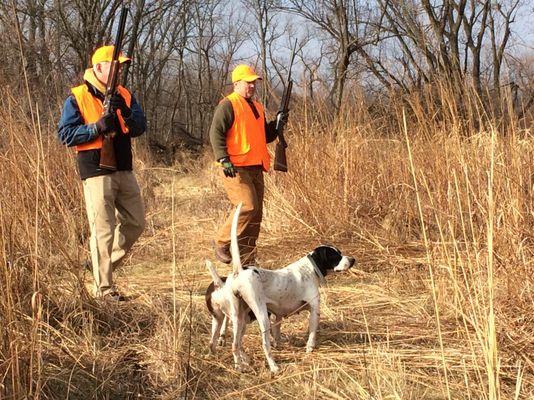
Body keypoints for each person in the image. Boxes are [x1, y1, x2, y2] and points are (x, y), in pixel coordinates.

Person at [57, 45, 147, 300]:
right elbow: (65, 134)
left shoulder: (125, 95)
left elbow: (141, 126)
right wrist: (95, 128)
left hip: (124, 168)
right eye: (115, 65)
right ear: (98, 68)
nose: (120, 70)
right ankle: (103, 290)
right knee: (103, 231)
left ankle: (98, 266)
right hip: (95, 170)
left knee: (137, 223)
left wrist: (126, 113)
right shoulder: (77, 97)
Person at [209, 64, 287, 265]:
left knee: (255, 217)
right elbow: (215, 132)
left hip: (256, 167)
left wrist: (277, 124)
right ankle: (221, 242)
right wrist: (223, 159)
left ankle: (247, 262)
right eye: (248, 82)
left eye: (254, 82)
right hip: (234, 167)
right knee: (247, 206)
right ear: (236, 83)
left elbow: (265, 136)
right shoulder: (228, 104)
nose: (252, 86)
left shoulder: (258, 107)